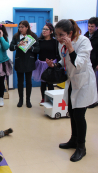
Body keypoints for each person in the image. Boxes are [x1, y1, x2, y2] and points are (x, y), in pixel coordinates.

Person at [46, 19, 97, 162]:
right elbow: (64, 61)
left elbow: (79, 64)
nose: (58, 38)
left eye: (61, 35)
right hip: (72, 82)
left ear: (70, 33)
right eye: (56, 35)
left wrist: (70, 48)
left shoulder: (84, 42)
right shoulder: (62, 45)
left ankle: (82, 147)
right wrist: (54, 64)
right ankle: (73, 140)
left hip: (83, 83)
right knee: (72, 112)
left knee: (79, 115)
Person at [10, 20, 40, 108]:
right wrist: (17, 46)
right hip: (19, 61)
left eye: (22, 27)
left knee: (29, 81)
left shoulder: (33, 36)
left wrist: (31, 47)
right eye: (19, 27)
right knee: (20, 81)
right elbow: (11, 47)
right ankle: (20, 100)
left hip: (29, 61)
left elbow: (38, 48)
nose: (20, 28)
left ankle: (28, 101)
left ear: (27, 27)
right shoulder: (16, 36)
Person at [32, 22, 60, 104]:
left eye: (46, 29)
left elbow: (57, 53)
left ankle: (51, 99)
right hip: (41, 64)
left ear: (51, 31)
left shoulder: (55, 42)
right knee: (43, 82)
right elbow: (35, 52)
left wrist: (57, 64)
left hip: (51, 64)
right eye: (43, 29)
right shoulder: (39, 41)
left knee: (50, 83)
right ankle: (43, 98)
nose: (44, 31)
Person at [84, 17, 98, 108]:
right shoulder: (86, 35)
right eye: (89, 26)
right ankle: (88, 100)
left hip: (95, 63)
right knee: (88, 83)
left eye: (92, 26)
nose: (90, 28)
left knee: (95, 83)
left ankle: (94, 101)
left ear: (97, 27)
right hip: (87, 63)